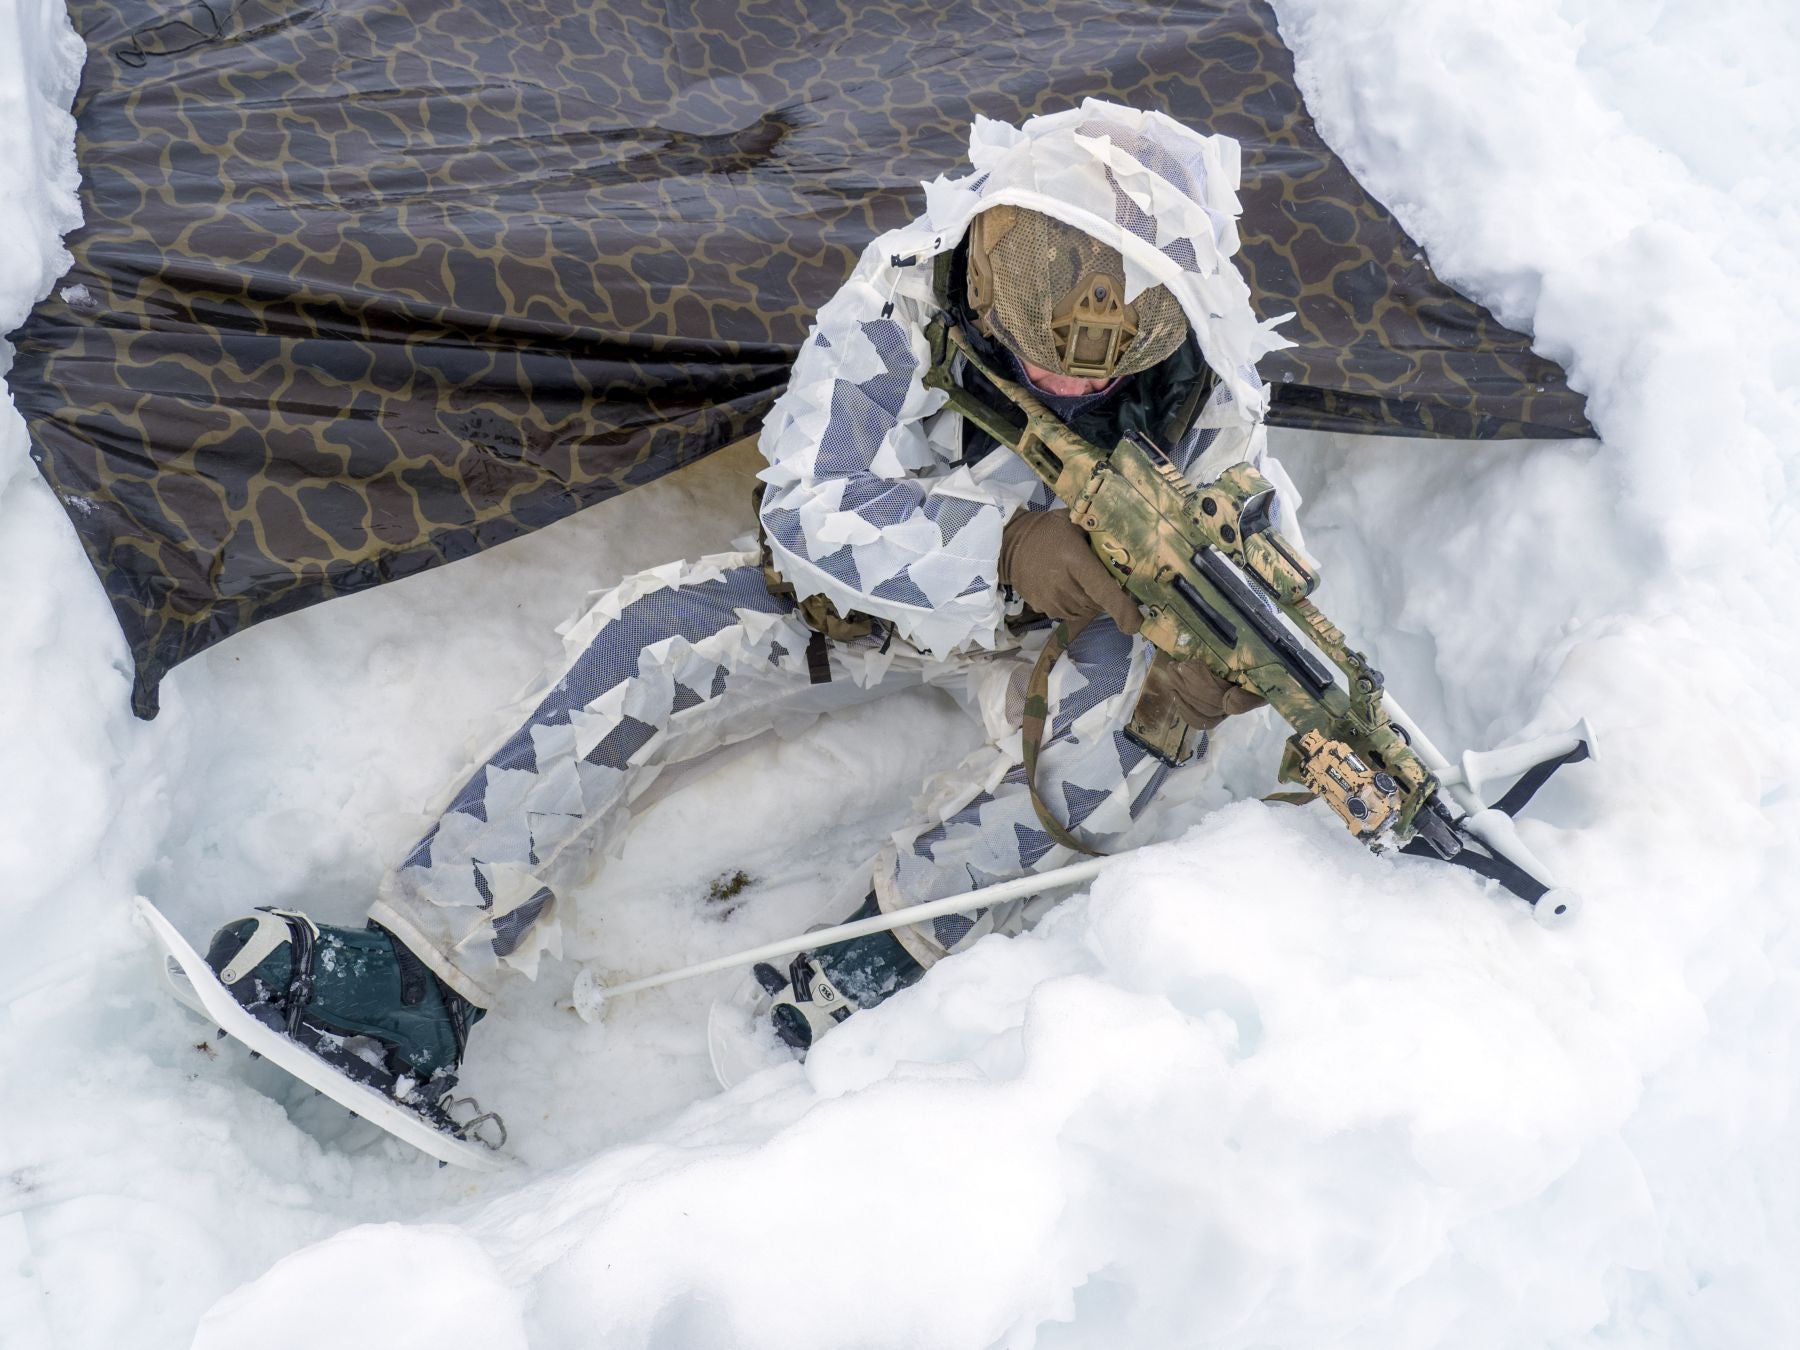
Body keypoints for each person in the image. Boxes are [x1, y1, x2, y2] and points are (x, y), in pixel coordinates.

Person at [201, 99, 1299, 1135]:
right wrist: (1004, 551)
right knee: (652, 641)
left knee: (1140, 729)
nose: (1069, 339)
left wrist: (1201, 680)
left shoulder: (1205, 398)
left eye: (1123, 316)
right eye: (1041, 278)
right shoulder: (909, 296)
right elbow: (812, 507)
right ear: (988, 241)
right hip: (863, 604)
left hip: (1067, 631)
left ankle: (883, 956)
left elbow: (1256, 556)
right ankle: (419, 974)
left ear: (1178, 310)